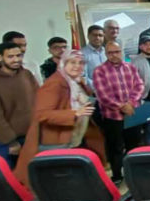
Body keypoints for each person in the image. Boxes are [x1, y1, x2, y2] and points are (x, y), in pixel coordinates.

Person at [15, 51, 105, 185]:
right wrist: (74, 113)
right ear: (63, 63)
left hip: (76, 138)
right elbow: (42, 114)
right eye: (72, 62)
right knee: (59, 182)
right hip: (57, 142)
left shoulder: (75, 81)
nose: (77, 66)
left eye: (81, 63)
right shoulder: (55, 83)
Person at [93, 41, 144, 184]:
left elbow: (139, 85)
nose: (114, 55)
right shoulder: (99, 71)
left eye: (116, 52)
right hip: (113, 117)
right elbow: (103, 96)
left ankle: (133, 174)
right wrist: (122, 106)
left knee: (133, 145)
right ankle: (117, 176)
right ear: (106, 54)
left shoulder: (130, 67)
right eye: (110, 53)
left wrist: (131, 103)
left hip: (132, 115)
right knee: (115, 148)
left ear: (121, 52)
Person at [0, 40, 38, 166]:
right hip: (4, 142)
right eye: (10, 57)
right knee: (6, 176)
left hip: (29, 137)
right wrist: (11, 142)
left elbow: (38, 100)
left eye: (19, 55)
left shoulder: (26, 74)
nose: (16, 60)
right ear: (0, 57)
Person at [82, 24, 107, 91]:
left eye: (100, 35)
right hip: (94, 91)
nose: (97, 38)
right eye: (94, 35)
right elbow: (83, 76)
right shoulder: (82, 54)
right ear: (88, 36)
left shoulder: (107, 51)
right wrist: (98, 88)